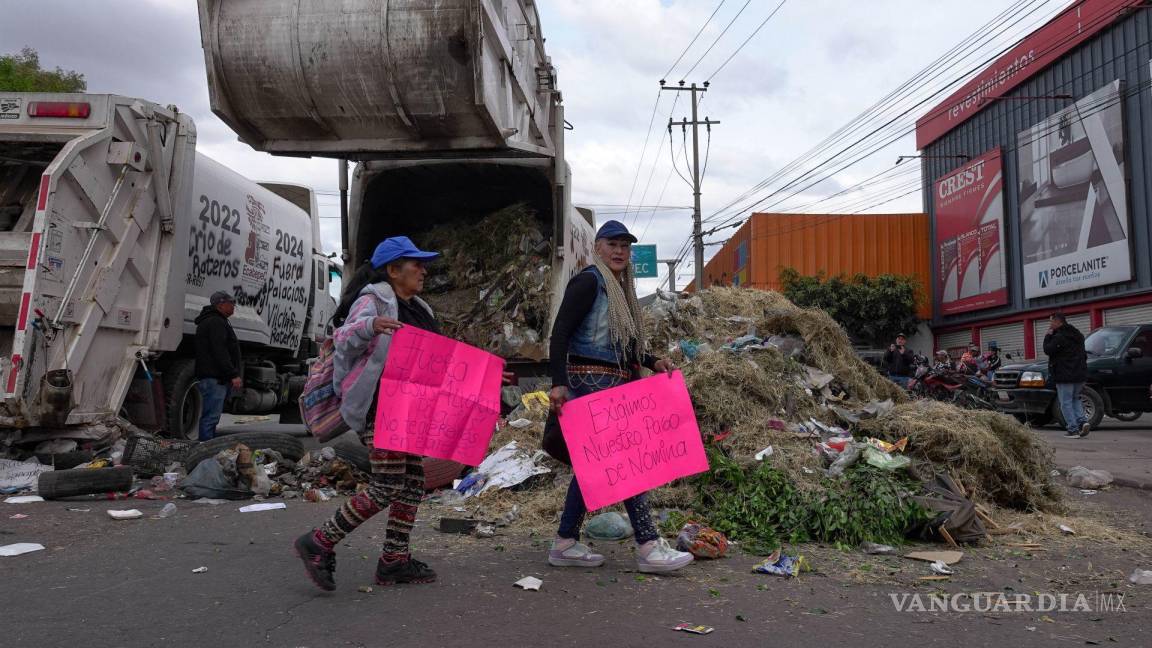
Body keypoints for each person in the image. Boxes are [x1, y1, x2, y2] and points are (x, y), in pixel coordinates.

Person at [294, 236, 441, 590]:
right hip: (380, 405)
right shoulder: (374, 299)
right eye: (415, 263)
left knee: (413, 480)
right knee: (389, 483)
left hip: (409, 407)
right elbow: (342, 338)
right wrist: (369, 327)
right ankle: (319, 542)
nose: (423, 269)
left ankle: (394, 561)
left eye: (423, 263)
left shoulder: (420, 308)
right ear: (393, 270)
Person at [547, 220, 694, 574]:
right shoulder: (588, 282)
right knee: (624, 463)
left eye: (625, 247)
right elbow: (560, 332)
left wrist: (651, 361)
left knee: (596, 466)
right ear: (598, 247)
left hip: (611, 385)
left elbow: (623, 347)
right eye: (613, 244)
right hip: (587, 384)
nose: (619, 251)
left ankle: (565, 542)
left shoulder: (620, 290)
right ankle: (647, 544)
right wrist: (557, 382)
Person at [194, 291, 241, 442]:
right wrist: (233, 374)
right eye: (231, 302)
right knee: (211, 417)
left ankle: (207, 447)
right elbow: (220, 351)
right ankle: (205, 450)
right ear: (221, 304)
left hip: (213, 377)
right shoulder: (216, 322)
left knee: (211, 416)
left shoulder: (214, 320)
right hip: (215, 378)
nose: (234, 306)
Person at [1044, 312, 1090, 438]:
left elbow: (1048, 350)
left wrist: (1048, 336)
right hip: (1079, 374)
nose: (1050, 324)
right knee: (1075, 399)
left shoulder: (1059, 337)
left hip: (1065, 375)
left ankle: (1073, 429)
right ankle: (1083, 422)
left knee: (1065, 402)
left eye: (1051, 321)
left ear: (1058, 322)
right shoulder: (1078, 335)